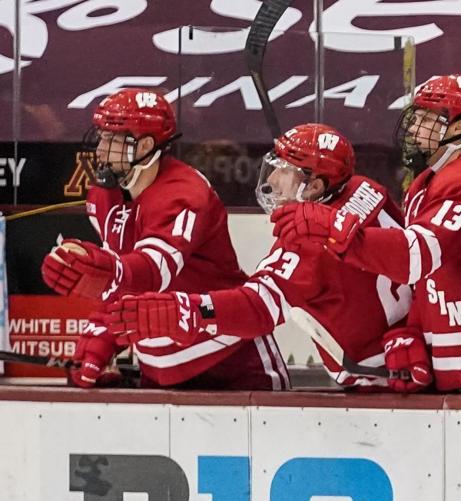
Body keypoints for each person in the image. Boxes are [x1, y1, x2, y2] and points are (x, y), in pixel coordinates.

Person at [109, 124, 414, 388]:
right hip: (413, 347)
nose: (274, 180)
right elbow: (417, 263)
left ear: (315, 187)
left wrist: (188, 310)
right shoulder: (368, 189)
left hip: (376, 374)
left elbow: (257, 308)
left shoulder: (308, 245)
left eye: (285, 171)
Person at [40, 88, 289, 389]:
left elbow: (153, 272)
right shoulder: (104, 196)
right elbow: (123, 289)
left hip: (231, 361)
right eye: (102, 137)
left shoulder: (184, 193)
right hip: (158, 371)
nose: (101, 150)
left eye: (112, 140)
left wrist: (108, 270)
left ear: (144, 145)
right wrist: (99, 340)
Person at [350, 74, 461, 393]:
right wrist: (413, 330)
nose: (414, 128)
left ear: (458, 127)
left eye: (426, 118)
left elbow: (414, 256)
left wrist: (337, 233)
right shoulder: (424, 182)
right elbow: (429, 277)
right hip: (450, 365)